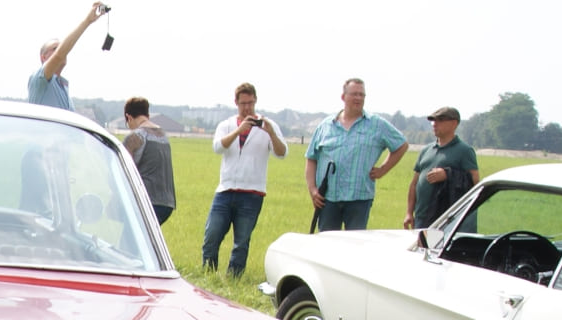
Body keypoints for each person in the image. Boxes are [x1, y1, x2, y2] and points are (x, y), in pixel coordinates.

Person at [202, 83, 288, 275]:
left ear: (255, 101)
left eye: (250, 103)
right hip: (225, 190)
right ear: (236, 103)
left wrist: (271, 134)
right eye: (243, 104)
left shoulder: (268, 126)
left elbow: (282, 153)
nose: (247, 108)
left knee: (241, 242)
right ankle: (208, 274)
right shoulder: (226, 125)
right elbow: (218, 147)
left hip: (252, 193)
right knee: (212, 235)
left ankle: (234, 278)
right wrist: (238, 131)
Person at [305, 78, 408, 231]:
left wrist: (382, 170)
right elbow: (311, 158)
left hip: (359, 198)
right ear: (343, 97)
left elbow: (401, 145)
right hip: (328, 198)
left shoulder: (376, 124)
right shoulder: (326, 125)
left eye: (362, 95)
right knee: (326, 246)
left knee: (355, 246)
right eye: (354, 94)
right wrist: (313, 190)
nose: (358, 98)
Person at [405, 106, 479, 229]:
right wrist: (409, 213)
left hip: (449, 220)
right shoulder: (426, 150)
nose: (434, 124)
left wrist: (448, 174)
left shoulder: (465, 151)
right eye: (433, 120)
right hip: (422, 217)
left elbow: (474, 183)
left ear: (454, 123)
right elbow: (414, 184)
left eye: (440, 120)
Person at [27, 3, 109, 111]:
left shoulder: (63, 86)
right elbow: (59, 55)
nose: (63, 52)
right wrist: (87, 21)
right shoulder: (38, 79)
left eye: (61, 47)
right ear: (43, 57)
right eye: (55, 48)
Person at [122, 97, 175, 224]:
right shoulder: (163, 135)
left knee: (129, 242)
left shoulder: (135, 136)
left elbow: (123, 171)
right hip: (167, 203)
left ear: (128, 117)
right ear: (148, 115)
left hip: (146, 202)